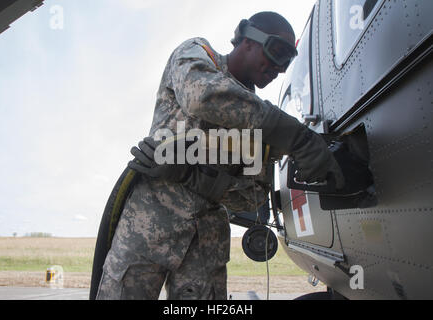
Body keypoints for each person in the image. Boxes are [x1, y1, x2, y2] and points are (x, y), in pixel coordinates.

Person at [96, 11, 344, 300]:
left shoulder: (262, 128)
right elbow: (201, 96)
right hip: (148, 226)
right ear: (247, 38)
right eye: (277, 51)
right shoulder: (198, 54)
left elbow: (251, 198)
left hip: (206, 244)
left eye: (288, 61)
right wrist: (293, 134)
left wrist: (194, 176)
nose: (279, 67)